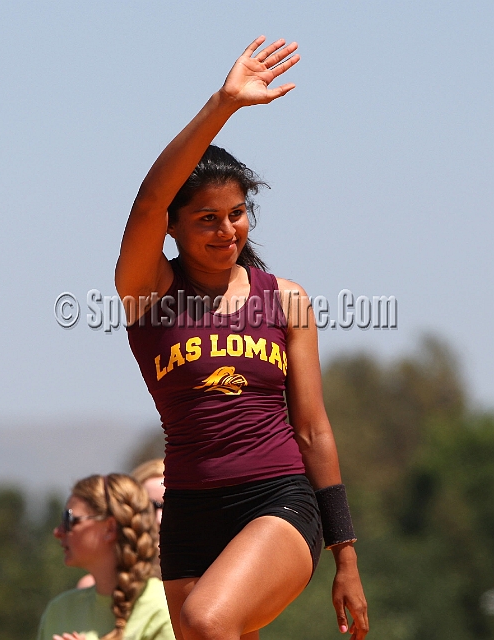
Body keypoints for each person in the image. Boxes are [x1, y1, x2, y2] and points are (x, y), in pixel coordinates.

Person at [115, 36, 369, 640]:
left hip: (277, 500)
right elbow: (149, 200)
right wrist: (221, 104)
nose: (226, 229)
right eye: (206, 218)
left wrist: (347, 557)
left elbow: (312, 429)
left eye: (237, 212)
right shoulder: (145, 292)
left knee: (208, 620)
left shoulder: (285, 299)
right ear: (172, 229)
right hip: (189, 515)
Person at [37, 474, 175, 640]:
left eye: (69, 519)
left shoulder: (165, 608)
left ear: (109, 528)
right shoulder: (58, 610)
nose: (58, 532)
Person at [77, 459, 165, 590]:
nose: (159, 518)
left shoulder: (204, 586)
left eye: (172, 507)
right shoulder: (95, 588)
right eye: (150, 507)